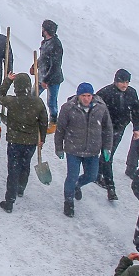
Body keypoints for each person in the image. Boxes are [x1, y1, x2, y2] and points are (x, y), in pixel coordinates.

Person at [53, 82, 113, 216]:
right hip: (73, 149)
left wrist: (107, 148)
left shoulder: (101, 108)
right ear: (78, 95)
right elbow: (60, 129)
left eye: (89, 95)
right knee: (72, 176)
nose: (87, 98)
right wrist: (59, 147)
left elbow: (107, 129)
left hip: (92, 149)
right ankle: (68, 202)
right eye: (84, 96)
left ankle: (77, 185)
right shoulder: (68, 108)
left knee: (92, 175)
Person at [0, 73, 49, 212]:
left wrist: (7, 81)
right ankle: (21, 189)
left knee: (13, 169)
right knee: (25, 164)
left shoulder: (11, 101)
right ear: (28, 86)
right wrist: (42, 138)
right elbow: (44, 122)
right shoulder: (38, 102)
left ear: (16, 87)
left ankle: (9, 201)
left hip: (15, 141)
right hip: (31, 142)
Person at [94, 70, 139, 203]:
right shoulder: (106, 93)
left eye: (127, 82)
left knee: (108, 154)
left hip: (119, 129)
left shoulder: (132, 93)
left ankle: (98, 174)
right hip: (104, 129)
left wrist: (137, 128)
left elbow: (137, 111)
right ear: (115, 81)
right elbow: (94, 108)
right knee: (106, 155)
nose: (124, 85)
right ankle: (109, 186)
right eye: (122, 82)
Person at [36, 21, 64, 126]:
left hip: (53, 79)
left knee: (51, 101)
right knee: (33, 95)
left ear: (46, 30)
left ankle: (53, 121)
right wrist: (35, 65)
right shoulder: (45, 42)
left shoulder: (56, 45)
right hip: (42, 76)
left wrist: (46, 80)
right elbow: (43, 57)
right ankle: (32, 115)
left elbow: (55, 65)